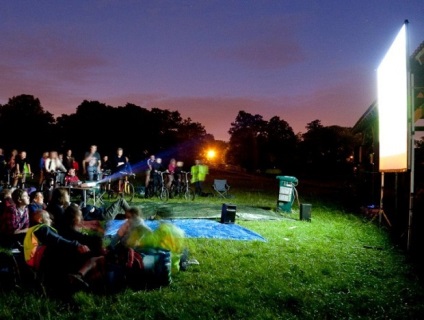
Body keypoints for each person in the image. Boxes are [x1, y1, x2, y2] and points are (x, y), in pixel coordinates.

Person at [24, 209, 102, 291]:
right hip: (40, 260)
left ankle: (80, 275)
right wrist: (76, 245)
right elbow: (57, 239)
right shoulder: (42, 228)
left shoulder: (33, 230)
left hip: (34, 261)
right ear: (40, 220)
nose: (50, 220)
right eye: (48, 217)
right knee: (69, 250)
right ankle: (79, 277)